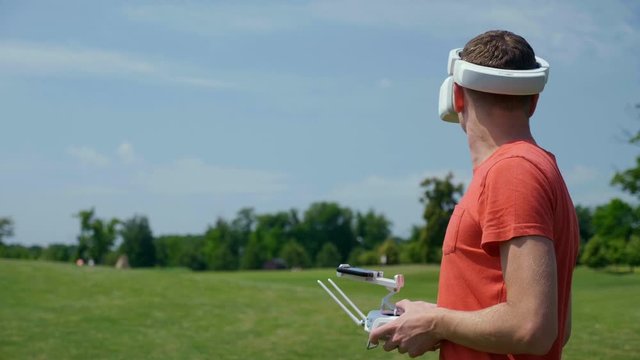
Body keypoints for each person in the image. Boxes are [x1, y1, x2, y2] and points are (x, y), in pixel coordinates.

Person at [369, 30, 580, 359]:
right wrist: (432, 318)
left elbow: (533, 328)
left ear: (456, 96)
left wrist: (437, 322)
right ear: (533, 101)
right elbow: (557, 327)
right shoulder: (536, 169)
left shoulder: (512, 173)